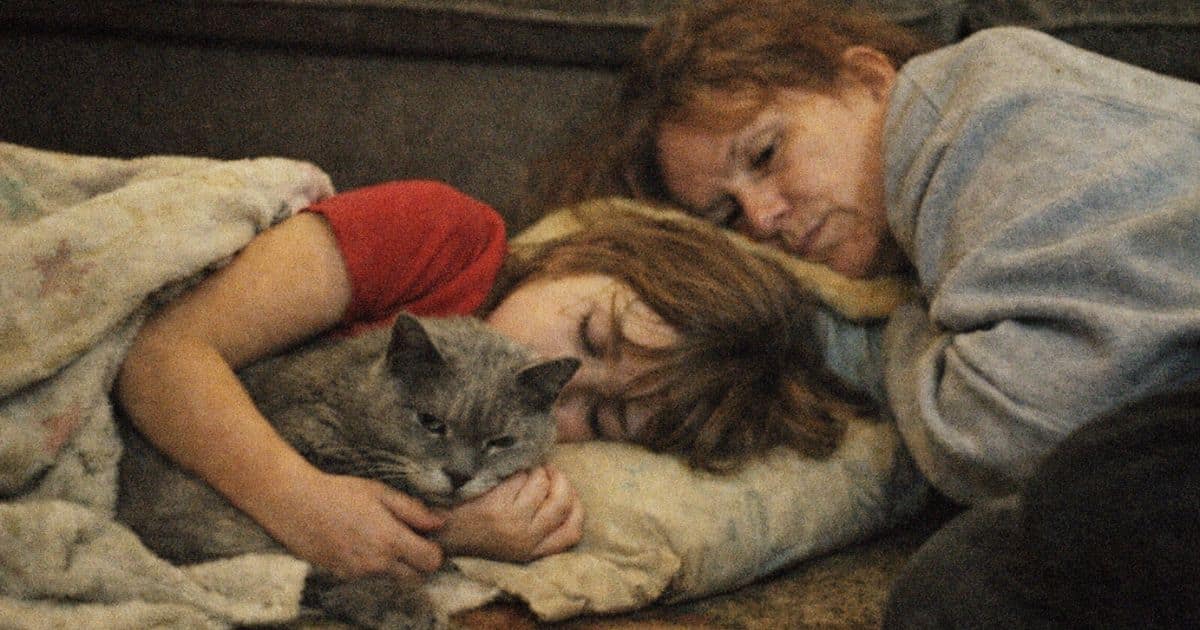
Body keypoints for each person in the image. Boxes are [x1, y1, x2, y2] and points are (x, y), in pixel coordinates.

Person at [533, 0, 1200, 625]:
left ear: (869, 78)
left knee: (1025, 542)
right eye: (727, 214)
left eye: (765, 155)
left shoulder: (982, 111)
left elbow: (1014, 432)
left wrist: (899, 327)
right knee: (968, 581)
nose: (762, 218)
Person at [115, 180, 870, 582]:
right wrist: (302, 505)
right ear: (585, 255)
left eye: (600, 420)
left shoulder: (504, 452)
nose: (556, 387)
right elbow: (160, 353)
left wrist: (450, 532)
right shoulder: (441, 235)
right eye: (589, 337)